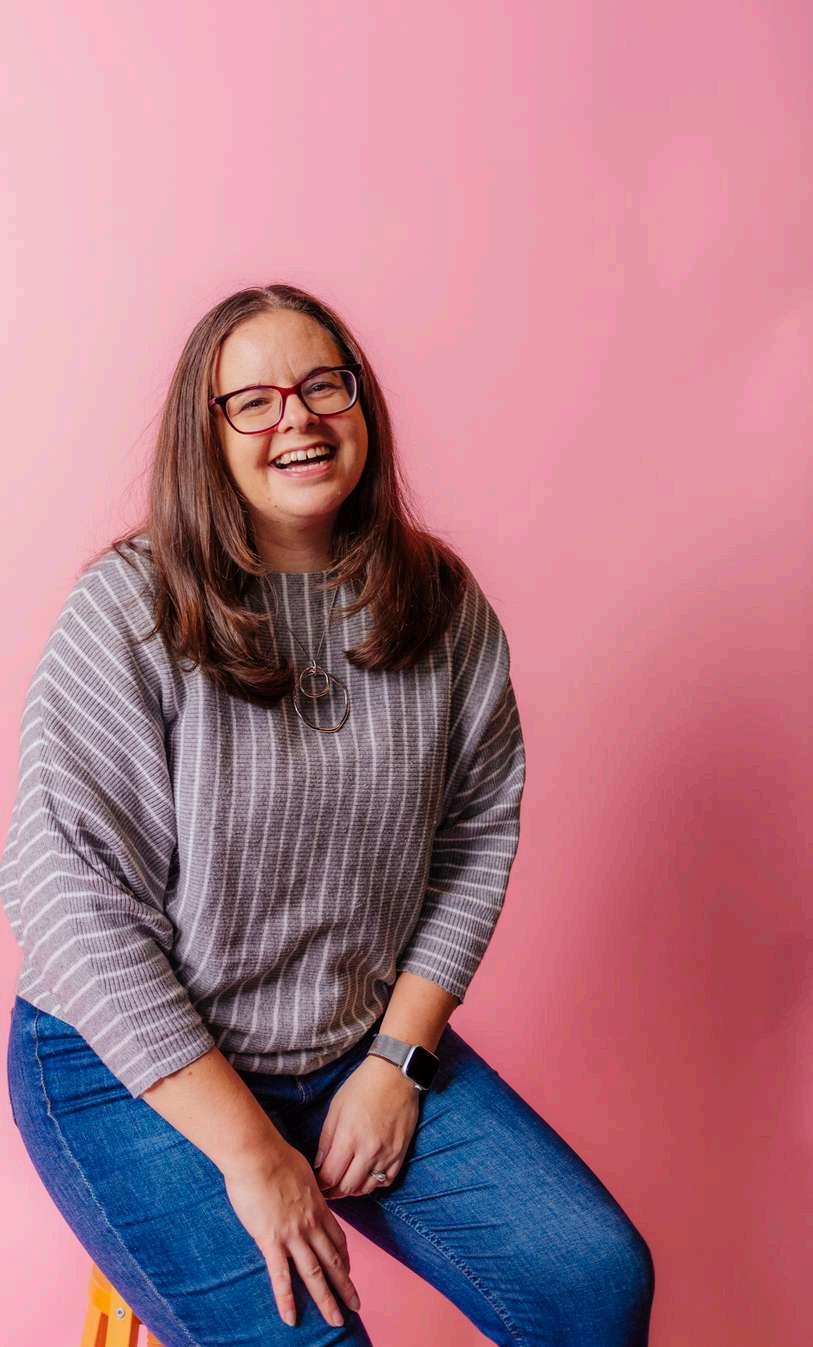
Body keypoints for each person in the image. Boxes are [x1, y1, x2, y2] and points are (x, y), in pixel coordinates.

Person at [2, 282, 655, 1345]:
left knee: (593, 1282)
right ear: (206, 436)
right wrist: (253, 1154)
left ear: (362, 404)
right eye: (252, 402)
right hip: (130, 1066)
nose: (296, 419)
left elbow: (474, 838)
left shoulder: (441, 605)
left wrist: (397, 1063)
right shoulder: (127, 611)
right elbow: (72, 902)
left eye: (322, 387)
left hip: (348, 1039)